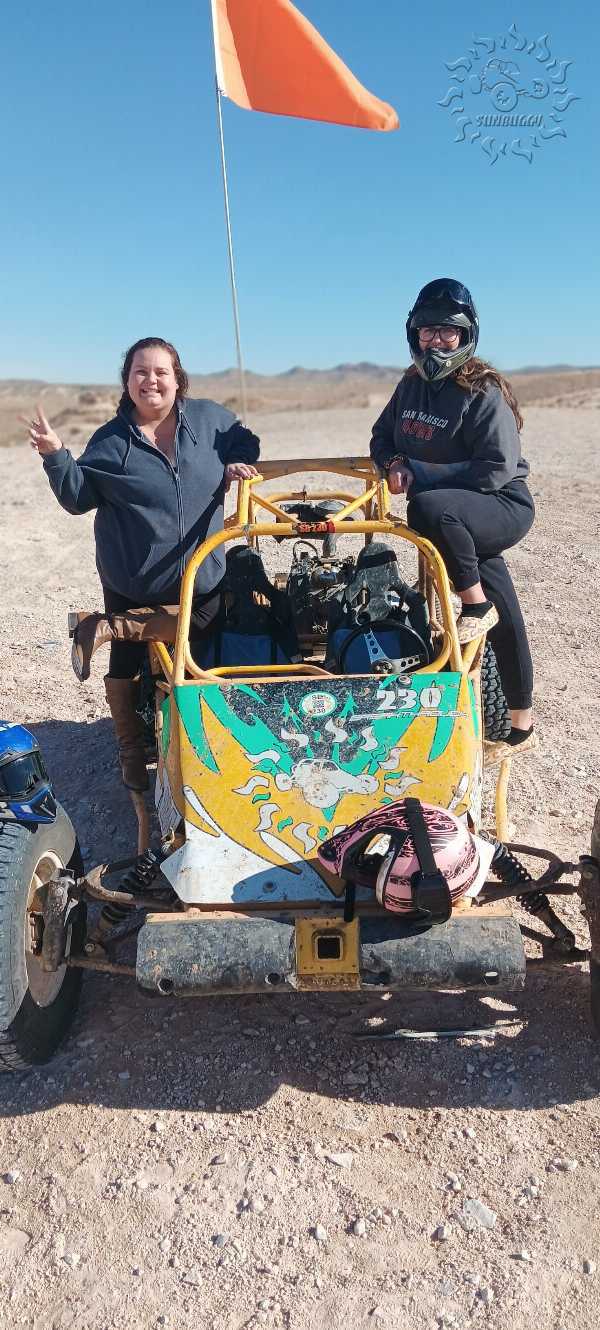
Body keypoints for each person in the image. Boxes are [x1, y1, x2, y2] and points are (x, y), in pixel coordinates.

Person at [26, 337, 260, 790]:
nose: (150, 380)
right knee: (128, 667)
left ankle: (108, 626)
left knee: (202, 641)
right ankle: (131, 753)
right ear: (127, 381)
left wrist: (237, 459)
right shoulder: (112, 441)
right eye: (140, 372)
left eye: (160, 372)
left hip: (200, 577)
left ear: (178, 379)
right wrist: (56, 455)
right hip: (133, 578)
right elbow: (78, 497)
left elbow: (246, 439)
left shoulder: (211, 420)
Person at [370, 278, 535, 756]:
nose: (436, 340)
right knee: (503, 600)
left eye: (448, 331)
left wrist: (432, 491)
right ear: (414, 334)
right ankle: (521, 726)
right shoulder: (410, 386)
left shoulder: (482, 390)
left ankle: (474, 607)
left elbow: (496, 468)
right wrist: (393, 463)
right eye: (428, 330)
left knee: (426, 508)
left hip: (499, 503)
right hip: (454, 516)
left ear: (466, 335)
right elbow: (381, 436)